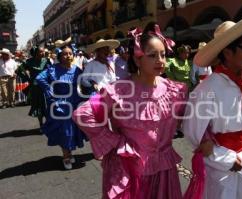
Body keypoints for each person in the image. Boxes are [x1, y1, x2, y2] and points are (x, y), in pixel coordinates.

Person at [72, 24, 187, 198]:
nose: (160, 60)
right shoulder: (118, 90)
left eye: (163, 55)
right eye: (153, 55)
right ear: (137, 59)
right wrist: (115, 141)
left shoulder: (174, 89)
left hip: (164, 170)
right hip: (130, 170)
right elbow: (82, 114)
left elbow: (185, 121)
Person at [182, 5, 242, 199]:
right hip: (219, 167)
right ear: (227, 53)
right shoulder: (207, 89)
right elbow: (193, 132)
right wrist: (224, 158)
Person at [36, 45, 86, 170]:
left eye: (70, 53)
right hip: (61, 105)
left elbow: (84, 82)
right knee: (65, 131)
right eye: (65, 54)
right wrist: (49, 90)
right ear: (59, 56)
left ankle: (69, 152)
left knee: (73, 130)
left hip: (75, 103)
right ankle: (66, 157)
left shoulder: (77, 69)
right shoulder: (53, 69)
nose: (68, 56)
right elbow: (39, 78)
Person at [24, 47, 49, 127]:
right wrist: (28, 75)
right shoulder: (29, 61)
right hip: (35, 88)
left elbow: (51, 71)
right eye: (41, 52)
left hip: (45, 87)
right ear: (36, 53)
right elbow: (22, 69)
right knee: (38, 106)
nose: (43, 53)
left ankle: (48, 123)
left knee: (47, 105)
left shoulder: (46, 61)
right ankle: (41, 124)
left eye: (43, 52)